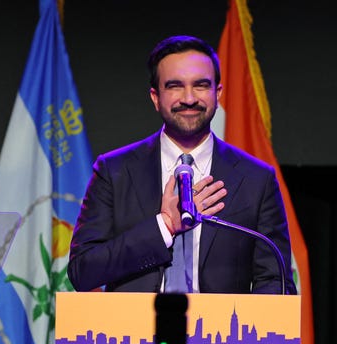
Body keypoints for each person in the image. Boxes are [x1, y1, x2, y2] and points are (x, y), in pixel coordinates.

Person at [67, 35, 297, 295]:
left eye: (200, 85)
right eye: (175, 86)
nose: (189, 98)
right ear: (155, 97)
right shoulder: (114, 171)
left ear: (217, 93)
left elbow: (275, 281)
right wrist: (164, 226)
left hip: (223, 334)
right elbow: (82, 271)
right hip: (132, 333)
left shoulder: (256, 179)